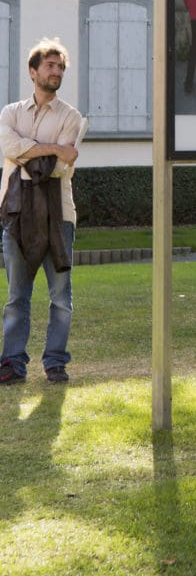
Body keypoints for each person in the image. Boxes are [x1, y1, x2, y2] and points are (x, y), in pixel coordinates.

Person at [0, 38, 83, 385]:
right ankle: (12, 364)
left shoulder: (71, 118)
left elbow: (59, 169)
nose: (56, 72)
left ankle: (55, 363)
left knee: (60, 298)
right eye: (50, 66)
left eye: (60, 67)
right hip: (17, 214)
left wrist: (26, 153)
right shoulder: (10, 113)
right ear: (33, 71)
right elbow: (9, 147)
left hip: (58, 216)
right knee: (17, 297)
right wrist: (53, 148)